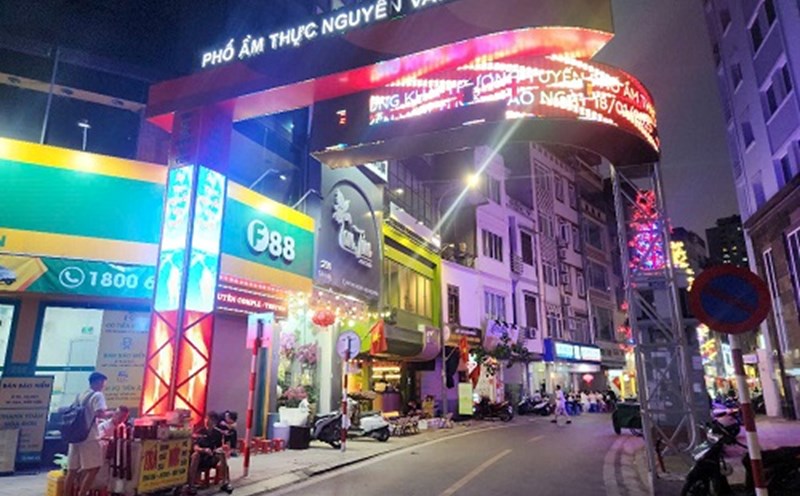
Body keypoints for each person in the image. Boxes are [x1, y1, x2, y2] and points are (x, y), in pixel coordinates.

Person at [65, 372, 112, 496]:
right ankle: (82, 494)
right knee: (94, 468)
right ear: (97, 382)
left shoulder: (80, 394)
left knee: (72, 470)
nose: (103, 386)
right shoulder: (98, 395)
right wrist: (112, 414)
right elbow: (100, 413)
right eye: (103, 383)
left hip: (75, 436)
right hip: (89, 436)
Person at [188, 412, 233, 494]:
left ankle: (225, 483)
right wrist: (203, 450)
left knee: (222, 454)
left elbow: (219, 446)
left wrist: (218, 450)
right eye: (206, 419)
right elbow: (195, 447)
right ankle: (191, 485)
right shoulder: (200, 431)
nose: (207, 421)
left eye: (209, 420)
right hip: (201, 457)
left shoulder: (218, 433)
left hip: (211, 457)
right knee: (195, 455)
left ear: (214, 422)